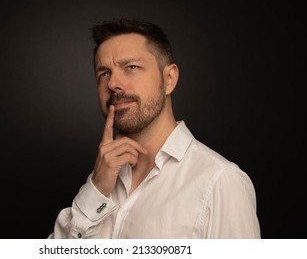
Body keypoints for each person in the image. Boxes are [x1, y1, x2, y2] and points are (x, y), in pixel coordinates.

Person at [48, 18, 260, 239]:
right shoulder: (102, 179)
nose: (112, 83)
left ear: (169, 79)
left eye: (131, 67)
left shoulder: (220, 182)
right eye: (104, 73)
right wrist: (96, 190)